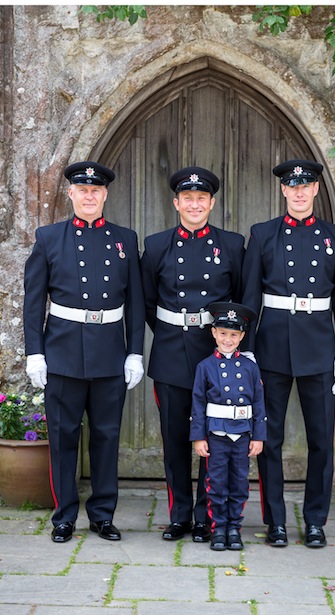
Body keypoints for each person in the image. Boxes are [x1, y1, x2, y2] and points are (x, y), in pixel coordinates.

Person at [23, 158, 145, 543]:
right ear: (71, 194)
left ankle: (103, 514)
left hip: (110, 348)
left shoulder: (125, 239)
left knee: (107, 435)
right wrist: (35, 352)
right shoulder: (49, 237)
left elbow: (137, 302)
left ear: (104, 195)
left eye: (96, 190)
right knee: (63, 436)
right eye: (83, 190)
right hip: (63, 351)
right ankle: (64, 516)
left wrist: (135, 352)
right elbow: (33, 301)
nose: (89, 196)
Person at [242, 158, 335, 548]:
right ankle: (275, 521)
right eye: (293, 186)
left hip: (320, 346)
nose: (300, 191)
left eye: (307, 185)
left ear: (316, 190)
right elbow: (250, 298)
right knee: (269, 439)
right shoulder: (262, 234)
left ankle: (315, 522)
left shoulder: (334, 235)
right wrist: (248, 349)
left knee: (321, 439)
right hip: (272, 345)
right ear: (284, 190)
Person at [141, 165, 245, 543]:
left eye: (202, 198)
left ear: (212, 203)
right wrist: (171, 331)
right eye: (188, 198)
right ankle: (179, 515)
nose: (195, 204)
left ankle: (207, 516)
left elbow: (240, 300)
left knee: (213, 441)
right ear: (176, 203)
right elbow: (148, 302)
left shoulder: (232, 245)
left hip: (214, 353)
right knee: (174, 441)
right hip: (170, 351)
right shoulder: (155, 245)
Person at [190, 302, 266, 551]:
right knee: (217, 482)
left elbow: (259, 403)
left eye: (234, 334)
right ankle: (218, 528)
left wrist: (259, 436)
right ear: (213, 333)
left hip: (242, 434)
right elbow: (198, 404)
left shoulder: (250, 367)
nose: (228, 339)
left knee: (239, 482)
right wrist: (199, 437)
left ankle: (235, 527)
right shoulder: (205, 367)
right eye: (223, 333)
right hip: (216, 434)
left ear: (242, 336)